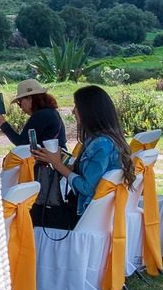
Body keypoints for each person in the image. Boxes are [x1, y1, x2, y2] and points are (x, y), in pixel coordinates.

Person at [31, 85, 131, 232]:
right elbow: (88, 172)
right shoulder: (105, 139)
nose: (73, 111)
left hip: (83, 216)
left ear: (89, 111)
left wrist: (57, 164)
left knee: (27, 214)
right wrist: (56, 158)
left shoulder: (101, 144)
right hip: (97, 216)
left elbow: (86, 188)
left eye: (76, 106)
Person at [0, 79, 66, 151]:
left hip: (49, 159)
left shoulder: (41, 115)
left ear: (29, 99)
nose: (20, 107)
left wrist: (2, 122)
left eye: (20, 102)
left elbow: (22, 143)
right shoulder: (50, 112)